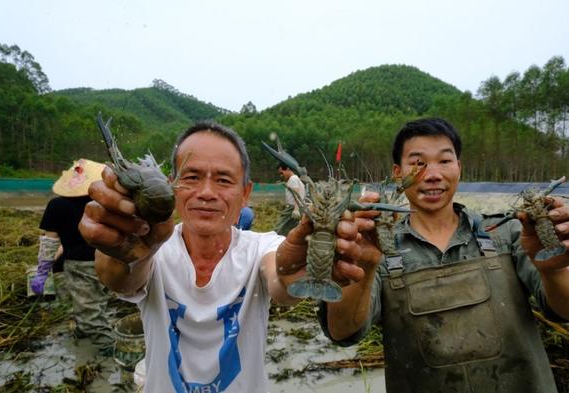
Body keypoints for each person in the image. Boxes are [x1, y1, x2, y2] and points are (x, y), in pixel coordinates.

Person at [318, 118, 569, 393]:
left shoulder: (508, 233)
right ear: (397, 174)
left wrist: (554, 270)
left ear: (459, 167)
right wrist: (365, 266)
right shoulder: (377, 247)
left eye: (445, 160)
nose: (432, 174)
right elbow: (343, 332)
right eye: (418, 163)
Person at [78, 120, 363, 393]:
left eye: (224, 180)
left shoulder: (261, 247)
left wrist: (294, 267)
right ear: (172, 185)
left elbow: (282, 278)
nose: (206, 193)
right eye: (191, 177)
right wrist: (121, 250)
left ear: (245, 193)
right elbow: (121, 278)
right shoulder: (155, 250)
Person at [30, 158, 113, 353]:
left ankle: (109, 348)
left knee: (89, 309)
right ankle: (83, 332)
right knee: (96, 302)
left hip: (79, 265)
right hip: (108, 262)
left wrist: (43, 270)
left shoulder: (57, 206)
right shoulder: (104, 204)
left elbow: (50, 242)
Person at [273, 163, 305, 236]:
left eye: (282, 173)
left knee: (279, 228)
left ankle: (273, 242)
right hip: (297, 207)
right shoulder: (293, 179)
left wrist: (296, 209)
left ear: (288, 169)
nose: (281, 175)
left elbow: (297, 195)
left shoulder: (293, 179)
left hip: (292, 208)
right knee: (291, 231)